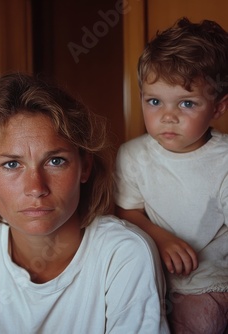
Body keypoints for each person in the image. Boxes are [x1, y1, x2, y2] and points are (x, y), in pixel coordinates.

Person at [0, 73, 169, 333]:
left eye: (55, 161)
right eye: (12, 164)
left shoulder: (122, 254)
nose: (36, 188)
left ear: (84, 166)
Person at [114, 17, 228, 333]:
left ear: (218, 107)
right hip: (154, 279)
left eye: (186, 103)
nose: (167, 117)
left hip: (209, 283)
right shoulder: (132, 155)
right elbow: (127, 211)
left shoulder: (223, 161)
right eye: (154, 101)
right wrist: (162, 239)